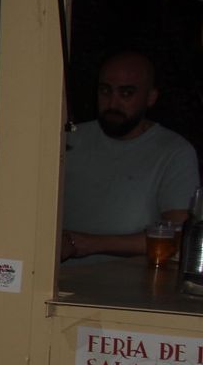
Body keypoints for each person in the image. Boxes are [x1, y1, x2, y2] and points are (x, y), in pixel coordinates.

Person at [61, 49, 196, 264]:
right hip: (54, 283)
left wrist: (82, 244)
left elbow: (178, 235)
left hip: (128, 290)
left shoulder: (174, 151)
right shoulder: (67, 140)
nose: (113, 104)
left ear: (150, 97)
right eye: (105, 91)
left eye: (126, 93)